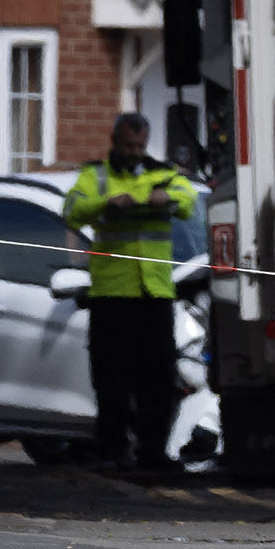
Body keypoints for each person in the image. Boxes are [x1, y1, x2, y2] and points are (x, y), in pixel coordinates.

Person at [64, 110, 199, 474]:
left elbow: (187, 202)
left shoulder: (164, 174)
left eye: (140, 145)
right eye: (128, 145)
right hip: (113, 294)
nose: (135, 152)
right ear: (115, 142)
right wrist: (107, 203)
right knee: (112, 381)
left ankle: (153, 453)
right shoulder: (96, 176)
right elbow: (73, 210)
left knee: (156, 379)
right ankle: (112, 451)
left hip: (153, 293)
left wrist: (162, 198)